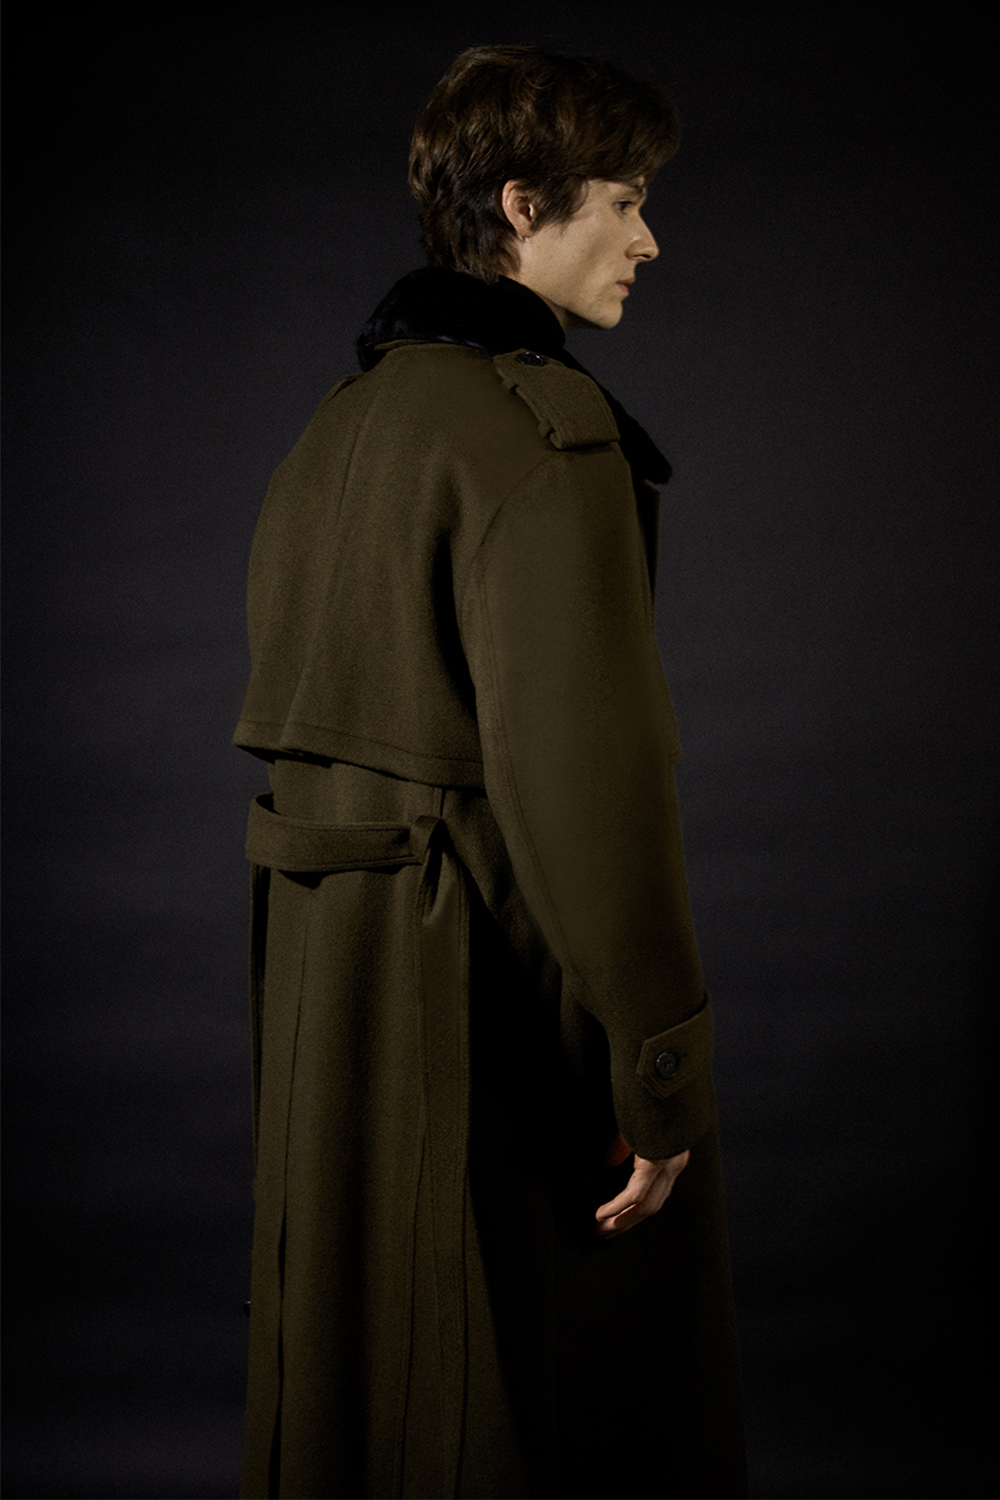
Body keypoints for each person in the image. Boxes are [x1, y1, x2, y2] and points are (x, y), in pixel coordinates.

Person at [234, 44, 746, 1500]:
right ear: (524, 205)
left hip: (333, 1024)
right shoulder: (542, 435)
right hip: (495, 1018)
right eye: (624, 201)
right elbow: (593, 792)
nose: (649, 239)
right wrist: (659, 1075)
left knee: (362, 1391)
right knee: (533, 1401)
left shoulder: (330, 437)